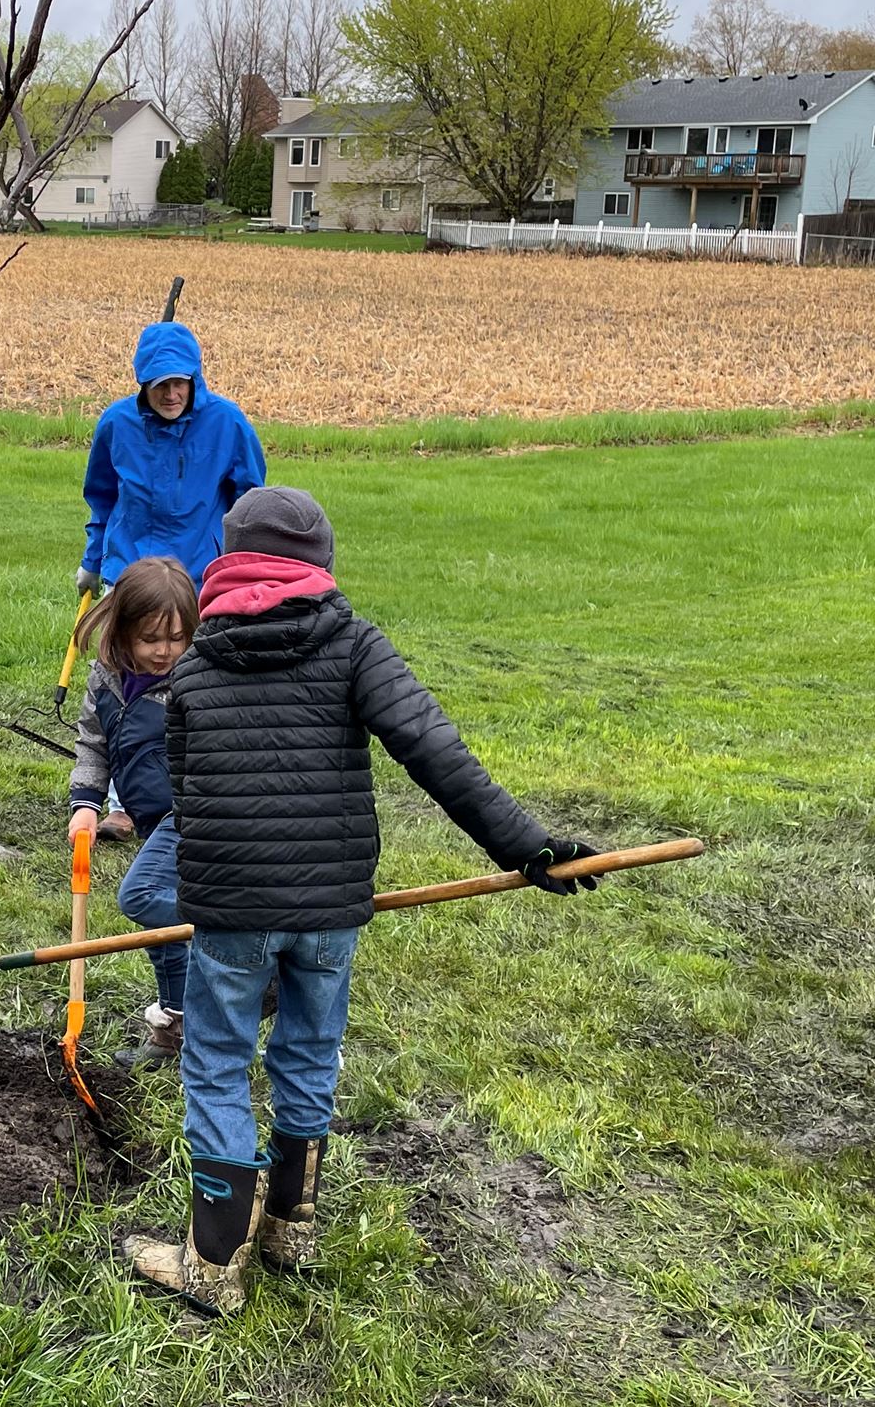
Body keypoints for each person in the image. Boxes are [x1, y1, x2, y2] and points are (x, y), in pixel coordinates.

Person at [123, 487, 600, 1315]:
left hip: (231, 911)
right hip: (331, 909)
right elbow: (434, 748)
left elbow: (188, 799)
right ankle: (290, 1225)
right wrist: (527, 846)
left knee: (216, 1063)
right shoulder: (352, 644)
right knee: (308, 1053)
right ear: (319, 566)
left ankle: (211, 1261)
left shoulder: (196, 668)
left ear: (228, 563)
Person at [65, 557, 198, 1060]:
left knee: (141, 896)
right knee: (161, 933)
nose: (165, 651)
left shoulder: (193, 680)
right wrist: (86, 802)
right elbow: (93, 744)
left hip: (189, 812)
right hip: (148, 818)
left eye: (177, 638)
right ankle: (175, 1031)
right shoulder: (107, 677)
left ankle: (238, 935)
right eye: (150, 639)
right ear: (122, 632)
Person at [78, 315, 265, 601]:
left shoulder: (228, 423)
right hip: (129, 573)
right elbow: (102, 498)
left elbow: (250, 504)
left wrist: (243, 570)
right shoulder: (117, 423)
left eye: (179, 383)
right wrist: (92, 562)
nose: (171, 395)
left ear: (194, 379)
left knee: (189, 646)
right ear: (143, 383)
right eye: (160, 385)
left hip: (200, 577)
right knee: (130, 647)